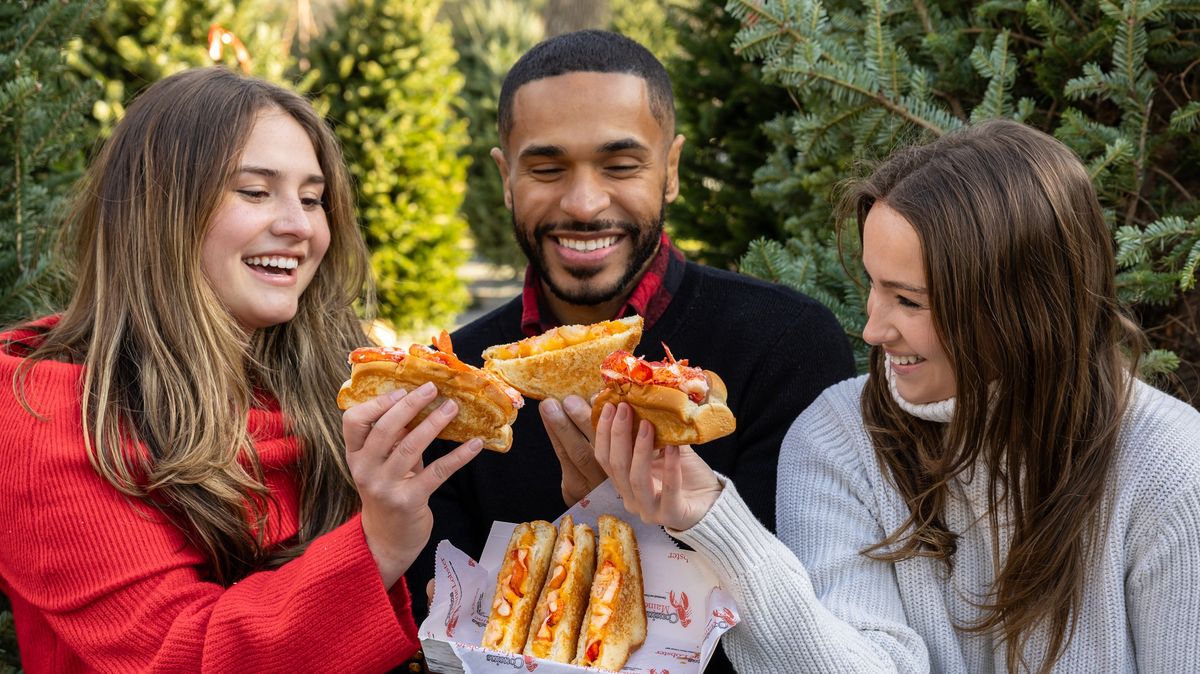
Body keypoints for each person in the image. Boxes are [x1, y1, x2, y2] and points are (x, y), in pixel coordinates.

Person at [594, 119, 1200, 673]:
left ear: (1023, 309)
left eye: (909, 300)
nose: (873, 329)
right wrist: (713, 520)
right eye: (874, 287)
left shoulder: (1171, 467)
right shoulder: (837, 436)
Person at [0, 67, 484, 672]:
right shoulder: (48, 414)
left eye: (312, 199)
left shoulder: (335, 381)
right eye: (255, 192)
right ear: (159, 211)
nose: (300, 226)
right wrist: (377, 544)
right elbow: (181, 657)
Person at [407, 27, 854, 661]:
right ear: (506, 177)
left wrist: (640, 522)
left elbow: (804, 630)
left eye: (621, 165)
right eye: (546, 168)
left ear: (669, 170)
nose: (585, 204)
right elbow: (443, 633)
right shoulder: (460, 383)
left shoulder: (785, 343)